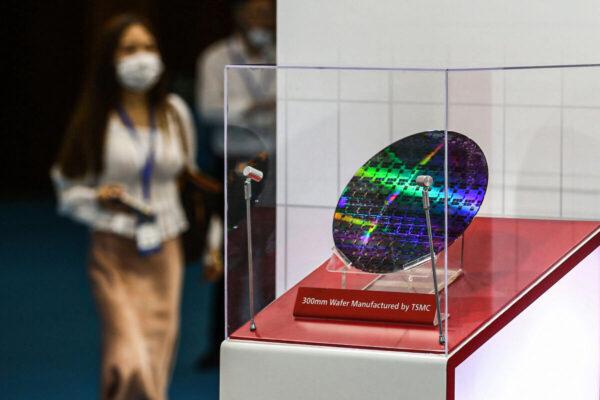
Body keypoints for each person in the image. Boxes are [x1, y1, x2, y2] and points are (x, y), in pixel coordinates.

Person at [52, 14, 197, 400]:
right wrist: (95, 198)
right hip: (113, 250)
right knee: (127, 359)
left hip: (165, 249)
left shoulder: (175, 113)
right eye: (129, 49)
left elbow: (188, 176)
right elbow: (67, 188)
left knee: (154, 358)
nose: (142, 57)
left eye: (149, 48)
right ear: (109, 59)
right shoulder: (95, 119)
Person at [194, 0, 276, 368]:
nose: (262, 20)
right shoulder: (216, 57)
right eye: (255, 12)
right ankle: (221, 342)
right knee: (231, 251)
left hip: (277, 162)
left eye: (268, 13)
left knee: (270, 251)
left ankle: (269, 335)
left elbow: (296, 104)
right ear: (239, 14)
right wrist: (258, 107)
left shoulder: (285, 54)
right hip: (231, 162)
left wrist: (248, 107)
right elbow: (211, 108)